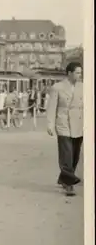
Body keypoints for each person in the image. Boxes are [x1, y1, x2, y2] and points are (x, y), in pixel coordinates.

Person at [47, 61, 83, 196]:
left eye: (81, 73)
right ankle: (69, 184)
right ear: (69, 73)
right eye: (77, 72)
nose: (80, 75)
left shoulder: (83, 87)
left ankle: (64, 178)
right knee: (66, 154)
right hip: (63, 124)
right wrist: (50, 124)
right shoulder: (57, 87)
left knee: (75, 155)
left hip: (79, 124)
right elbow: (51, 107)